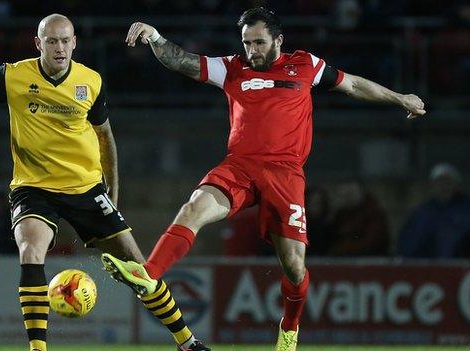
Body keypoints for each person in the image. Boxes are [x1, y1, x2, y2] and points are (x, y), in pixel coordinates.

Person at [100, 7, 426, 351]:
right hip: (239, 167)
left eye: (258, 42)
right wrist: (155, 37)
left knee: (295, 269)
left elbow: (353, 84)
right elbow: (182, 61)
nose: (251, 50)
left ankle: (289, 328)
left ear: (278, 40)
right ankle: (148, 275)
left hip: (285, 175)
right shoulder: (231, 67)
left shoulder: (306, 65)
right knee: (194, 207)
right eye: (246, 43)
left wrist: (399, 97)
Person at [0, 14, 209, 351]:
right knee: (30, 251)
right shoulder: (13, 76)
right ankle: (38, 349)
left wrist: (112, 195)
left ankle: (187, 342)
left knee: (138, 266)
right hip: (34, 188)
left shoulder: (91, 82)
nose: (59, 48)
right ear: (38, 43)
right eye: (52, 41)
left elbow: (106, 140)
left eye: (65, 41)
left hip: (86, 189)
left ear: (74, 43)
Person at [397, 163, 470, 258]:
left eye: (447, 182)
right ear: (432, 186)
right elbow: (408, 243)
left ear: (456, 185)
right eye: (439, 182)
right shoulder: (421, 213)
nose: (443, 186)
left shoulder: (466, 211)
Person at [326, 180, 390, 256]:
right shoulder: (341, 214)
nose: (347, 199)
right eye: (344, 195)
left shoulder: (373, 212)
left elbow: (370, 242)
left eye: (350, 194)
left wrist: (340, 249)